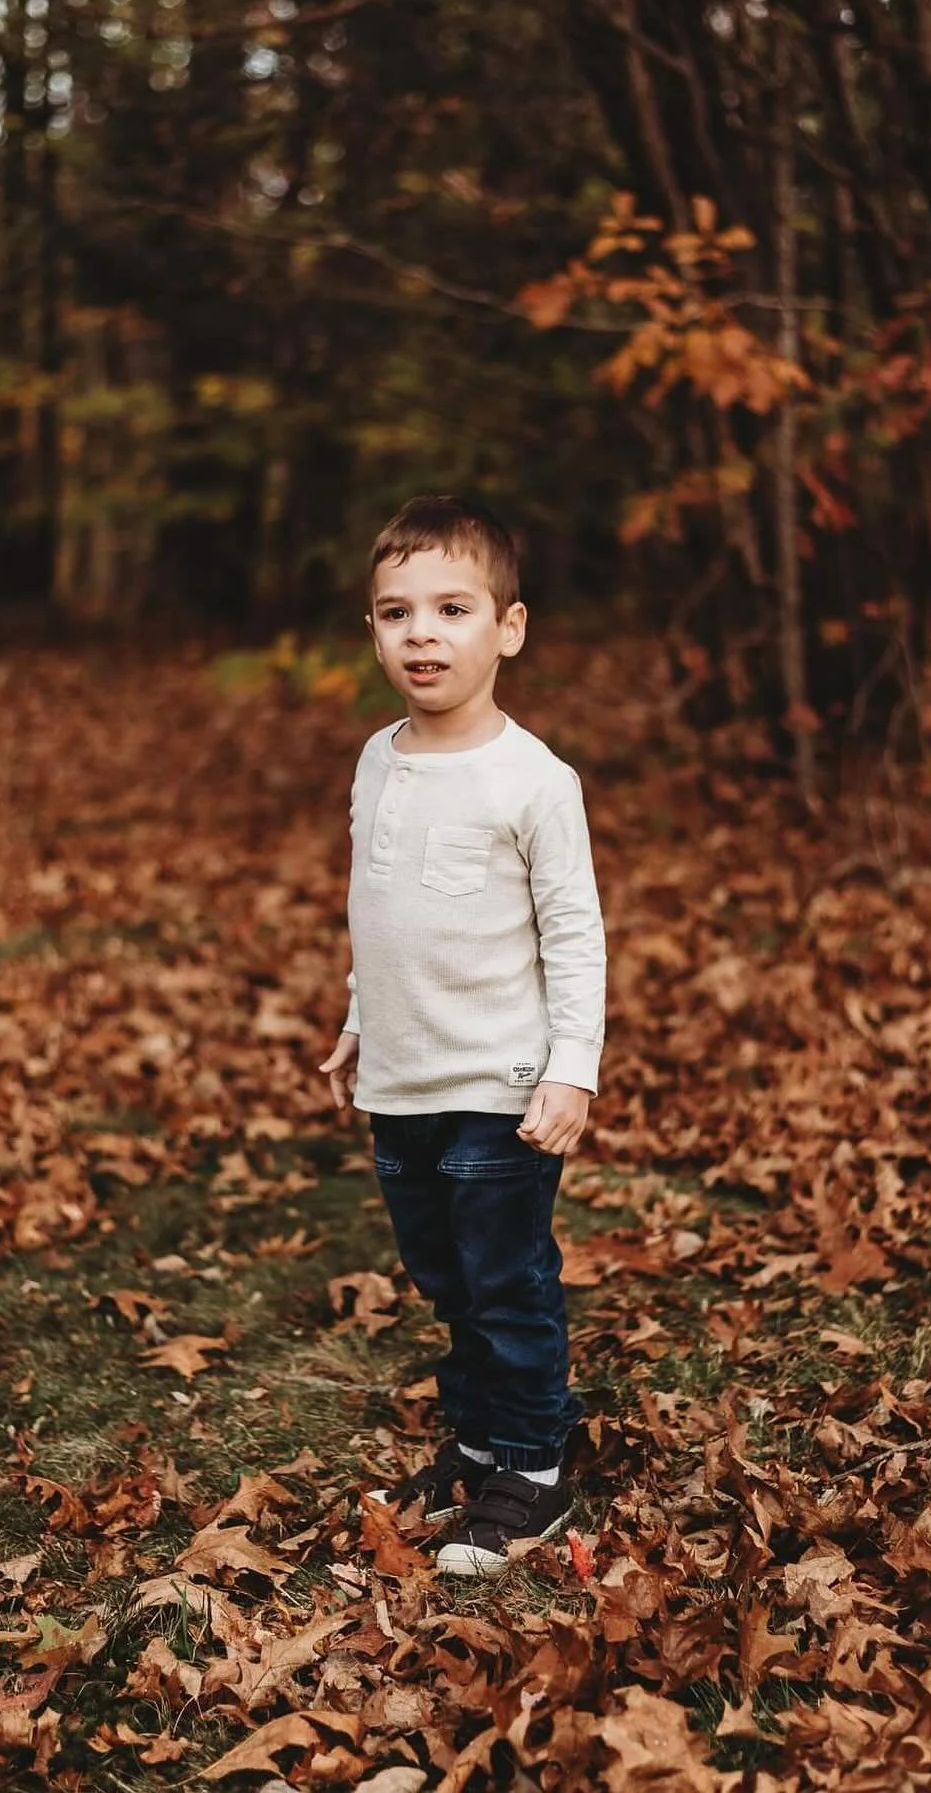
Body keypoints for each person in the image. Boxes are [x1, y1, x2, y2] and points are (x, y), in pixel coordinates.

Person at [318, 493, 607, 1577]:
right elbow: (377, 911)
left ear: (509, 628)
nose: (423, 633)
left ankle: (531, 1464)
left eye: (452, 608)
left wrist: (571, 1070)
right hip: (401, 1080)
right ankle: (482, 1435)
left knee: (507, 1278)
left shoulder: (533, 780)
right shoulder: (377, 761)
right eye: (397, 613)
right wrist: (358, 1018)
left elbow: (574, 933)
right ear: (374, 634)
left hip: (500, 1083)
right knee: (443, 1274)